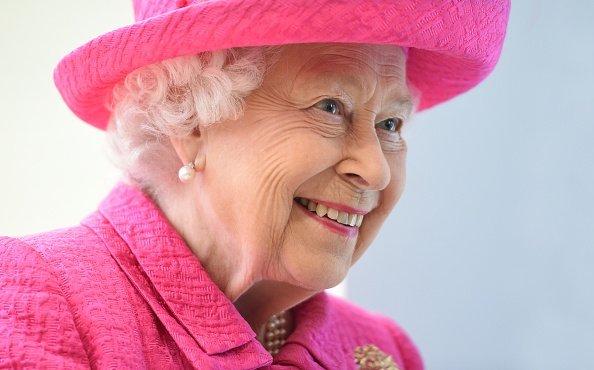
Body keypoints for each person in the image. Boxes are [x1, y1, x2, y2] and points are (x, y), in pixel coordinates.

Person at [0, 0, 510, 369]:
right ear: (192, 122)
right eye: (330, 107)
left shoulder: (381, 347)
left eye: (390, 125)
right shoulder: (36, 300)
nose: (374, 169)